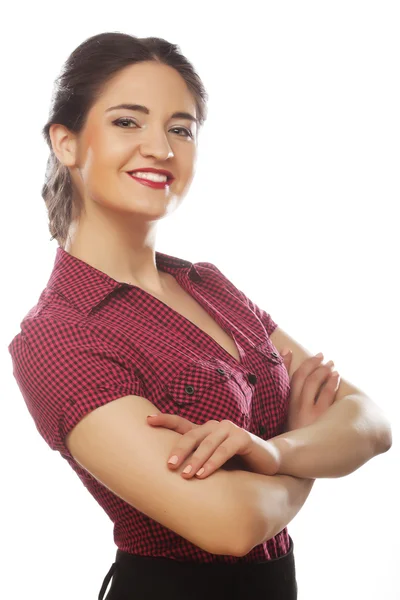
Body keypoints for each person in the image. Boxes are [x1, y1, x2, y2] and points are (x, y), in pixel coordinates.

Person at [8, 32, 391, 600]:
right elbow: (229, 526)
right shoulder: (59, 337)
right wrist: (309, 449)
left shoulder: (209, 284)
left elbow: (371, 422)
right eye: (127, 122)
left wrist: (276, 451)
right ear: (66, 142)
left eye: (181, 129)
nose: (161, 148)